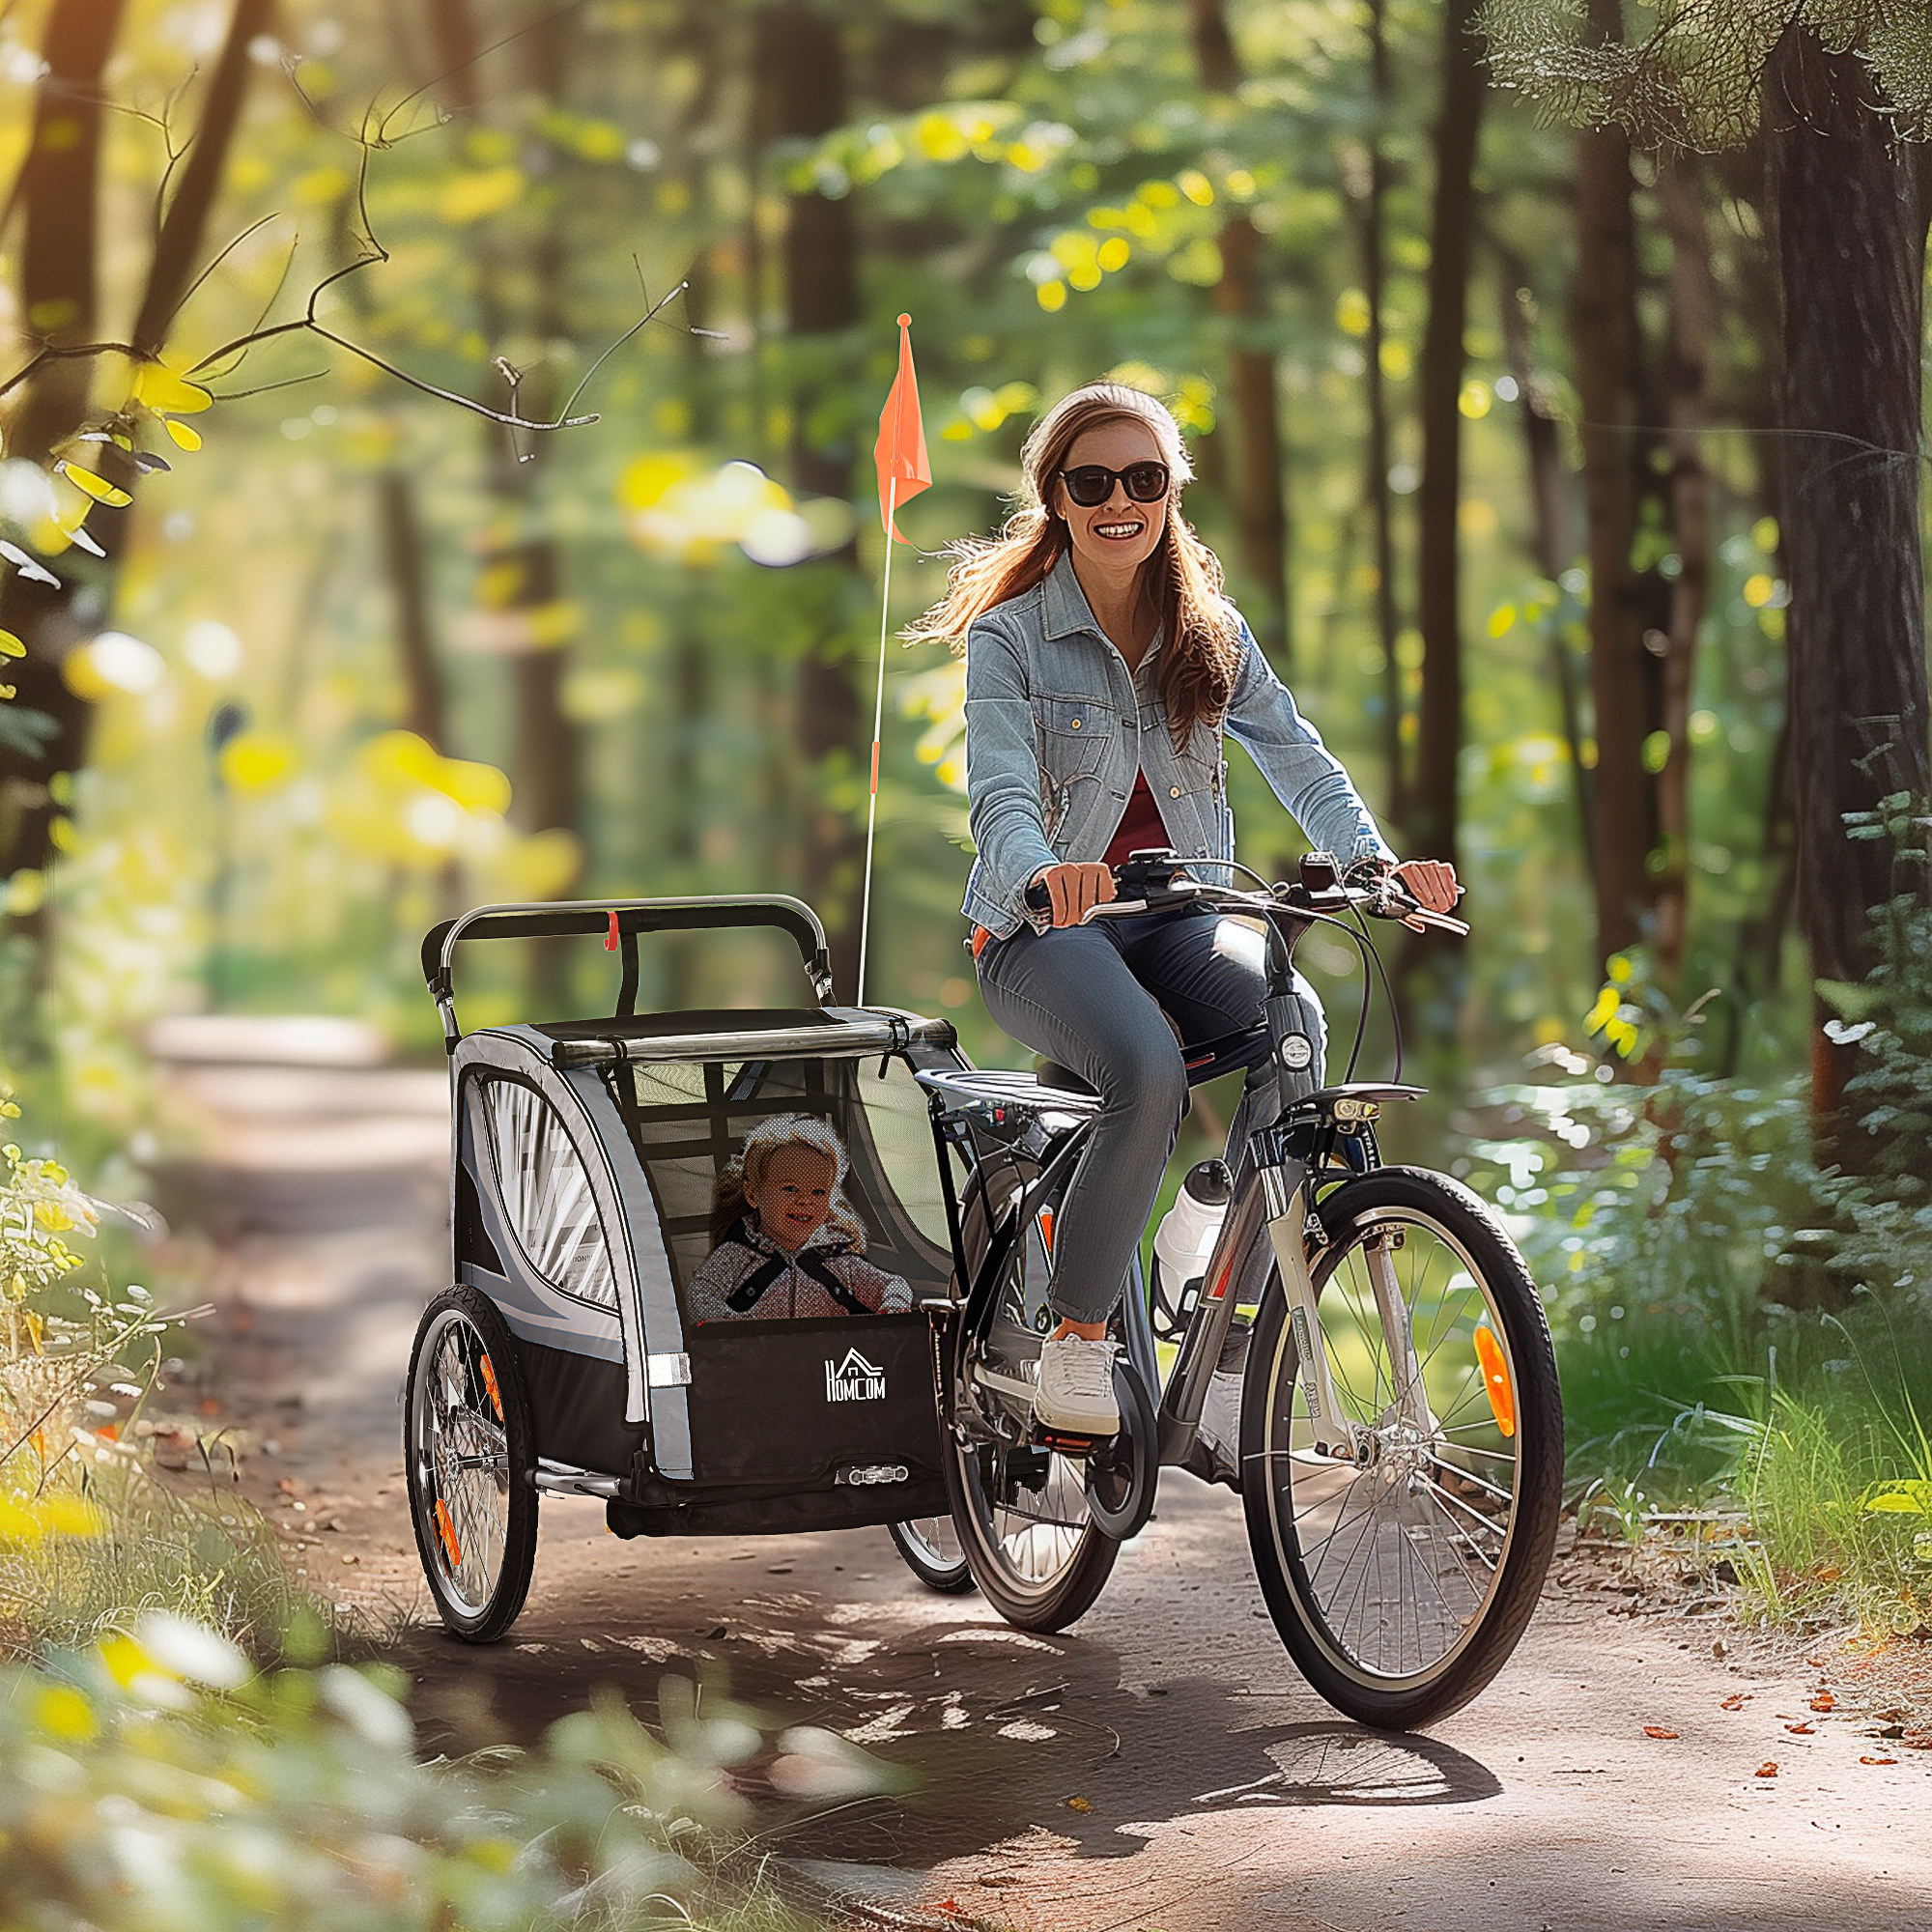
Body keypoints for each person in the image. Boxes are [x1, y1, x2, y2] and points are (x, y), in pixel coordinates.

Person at [904, 382, 1459, 1435]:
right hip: (1043, 932)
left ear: (1170, 493)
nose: (1121, 500)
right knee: (1146, 1068)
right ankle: (1075, 1340)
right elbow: (1001, 788)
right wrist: (1039, 872)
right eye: (1092, 481)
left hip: (1176, 915)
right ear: (1057, 498)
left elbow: (1301, 762)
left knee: (1292, 1023)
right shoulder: (1012, 637)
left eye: (1143, 479)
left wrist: (1376, 866)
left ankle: (1212, 1254)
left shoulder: (1209, 632)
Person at [686, 1112, 913, 1322]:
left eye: (818, 1192)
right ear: (753, 1194)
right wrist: (730, 1327)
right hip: (759, 1360)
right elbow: (700, 1293)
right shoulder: (735, 1256)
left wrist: (893, 1304)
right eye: (791, 1189)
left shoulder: (839, 1261)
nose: (806, 1201)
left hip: (829, 1363)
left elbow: (894, 1285)